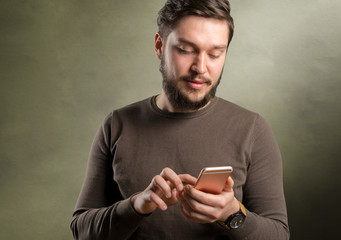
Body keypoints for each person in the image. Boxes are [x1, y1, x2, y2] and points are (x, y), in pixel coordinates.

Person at [70, 0, 290, 239]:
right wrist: (136, 206)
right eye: (185, 50)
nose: (201, 68)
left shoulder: (252, 129)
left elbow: (278, 234)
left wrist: (231, 213)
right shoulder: (116, 125)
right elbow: (82, 231)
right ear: (159, 46)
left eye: (215, 54)